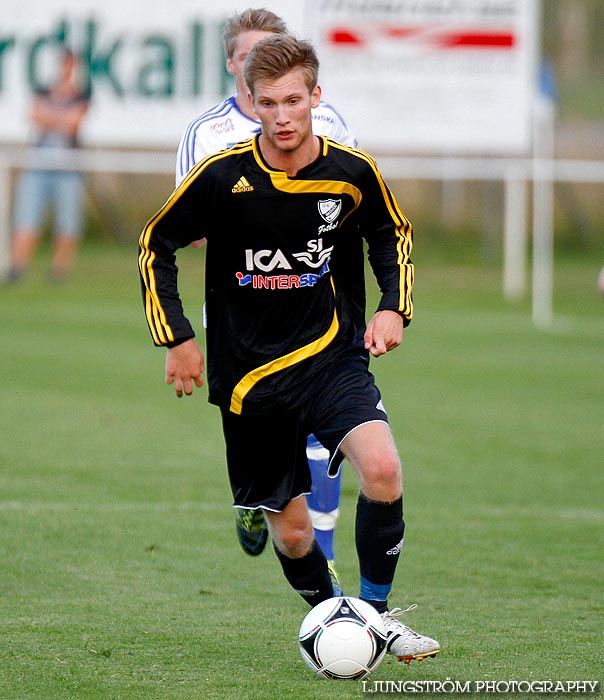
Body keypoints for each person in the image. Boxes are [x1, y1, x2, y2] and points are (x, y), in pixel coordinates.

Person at [138, 33, 440, 662]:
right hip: (249, 378)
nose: (281, 116)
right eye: (267, 102)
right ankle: (335, 619)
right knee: (296, 531)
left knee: (382, 470)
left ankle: (375, 620)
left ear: (316, 98)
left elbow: (392, 234)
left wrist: (392, 306)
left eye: (293, 101)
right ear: (250, 101)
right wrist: (178, 339)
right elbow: (155, 243)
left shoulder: (352, 173)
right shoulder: (222, 179)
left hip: (332, 358)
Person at [175, 9, 357, 575]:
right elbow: (192, 227)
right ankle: (259, 499)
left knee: (327, 424)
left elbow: (350, 203)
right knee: (271, 427)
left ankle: (321, 545)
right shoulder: (208, 133)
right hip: (241, 315)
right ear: (235, 65)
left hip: (313, 303)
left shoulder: (326, 120)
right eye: (253, 55)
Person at [6, 48, 90, 283]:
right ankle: (17, 268)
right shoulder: (43, 90)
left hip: (68, 167)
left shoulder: (81, 95)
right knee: (27, 216)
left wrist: (50, 118)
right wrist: (59, 119)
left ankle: (59, 271)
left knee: (68, 221)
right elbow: (35, 116)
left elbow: (73, 124)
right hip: (39, 163)